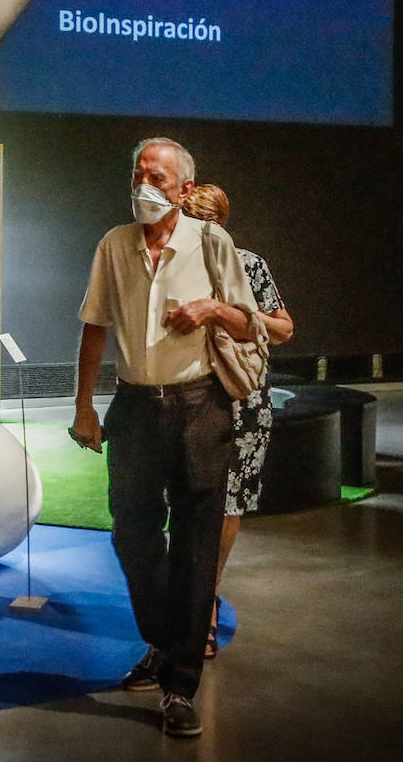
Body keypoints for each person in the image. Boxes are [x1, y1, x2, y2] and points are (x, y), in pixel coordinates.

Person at [69, 137, 258, 739]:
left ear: (183, 189)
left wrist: (208, 309)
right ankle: (163, 637)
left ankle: (179, 685)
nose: (144, 183)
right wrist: (83, 408)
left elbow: (251, 320)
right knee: (132, 534)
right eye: (137, 172)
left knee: (198, 544)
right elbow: (95, 327)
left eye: (157, 175)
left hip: (201, 405)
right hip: (134, 408)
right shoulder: (114, 245)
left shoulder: (212, 243)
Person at [181, 183, 294, 658]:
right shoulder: (166, 266)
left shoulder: (247, 264)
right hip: (182, 397)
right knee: (188, 502)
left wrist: (231, 318)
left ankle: (204, 603)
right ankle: (191, 599)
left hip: (239, 397)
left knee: (227, 504)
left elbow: (285, 326)